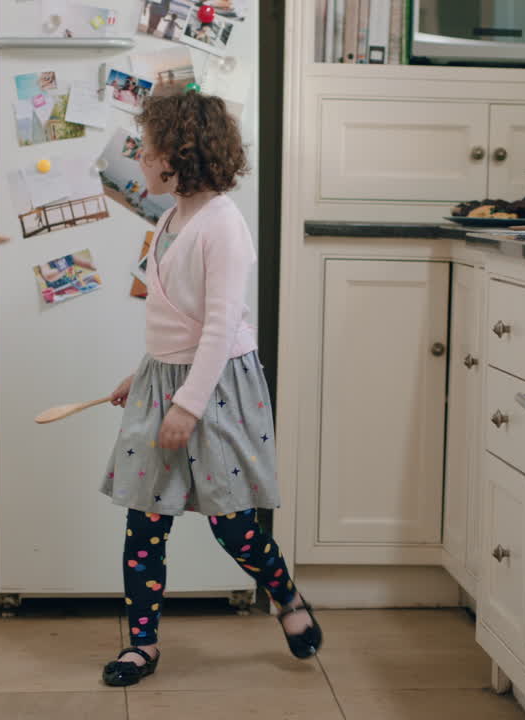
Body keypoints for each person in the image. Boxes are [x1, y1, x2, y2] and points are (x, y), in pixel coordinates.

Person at [99, 91, 322, 688]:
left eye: (148, 146)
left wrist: (187, 404)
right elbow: (173, 316)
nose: (139, 155)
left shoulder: (223, 223)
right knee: (145, 522)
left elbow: (220, 328)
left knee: (232, 525)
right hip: (165, 377)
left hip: (215, 384)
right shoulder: (173, 214)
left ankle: (285, 595)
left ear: (180, 153)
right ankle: (142, 645)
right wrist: (144, 376)